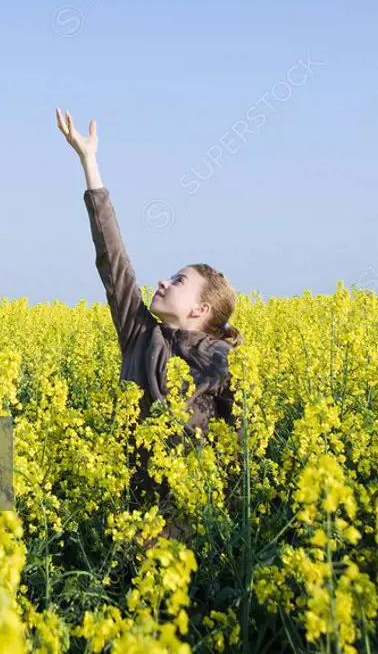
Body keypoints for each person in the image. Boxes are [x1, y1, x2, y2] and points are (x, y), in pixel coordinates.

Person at [55, 108, 242, 543]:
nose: (162, 281)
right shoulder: (141, 334)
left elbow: (239, 451)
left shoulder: (224, 364)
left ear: (199, 310)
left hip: (192, 520)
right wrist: (89, 164)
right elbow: (113, 261)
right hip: (130, 510)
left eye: (178, 281)